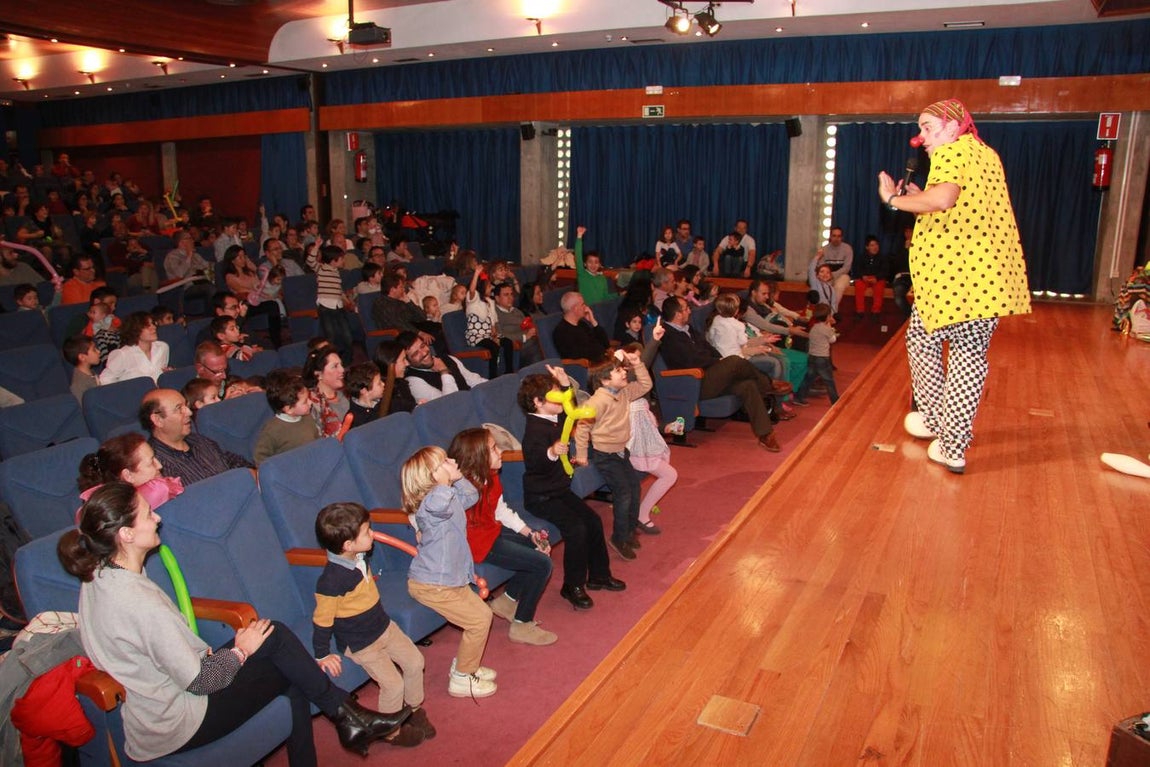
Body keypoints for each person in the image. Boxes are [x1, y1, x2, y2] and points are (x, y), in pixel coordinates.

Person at [58, 483, 410, 765]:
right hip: (178, 718)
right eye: (148, 515)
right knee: (282, 657)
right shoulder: (137, 600)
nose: (158, 519)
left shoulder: (98, 575)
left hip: (164, 695)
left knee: (279, 647)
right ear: (126, 535)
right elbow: (201, 681)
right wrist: (241, 651)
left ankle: (347, 717)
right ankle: (348, 717)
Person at [877, 98, 1032, 474]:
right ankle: (942, 428)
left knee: (955, 353)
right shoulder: (984, 154)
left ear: (951, 126)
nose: (921, 137)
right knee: (937, 344)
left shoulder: (951, 151)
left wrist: (894, 199)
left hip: (958, 279)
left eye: (928, 127)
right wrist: (918, 197)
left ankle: (947, 437)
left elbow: (943, 200)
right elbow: (960, 209)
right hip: (984, 278)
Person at [313, 502, 433, 748]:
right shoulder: (331, 581)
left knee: (415, 662)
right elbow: (322, 619)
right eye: (367, 532)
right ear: (347, 545)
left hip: (384, 626)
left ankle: (412, 709)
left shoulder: (357, 554)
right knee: (393, 684)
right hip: (362, 643)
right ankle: (390, 730)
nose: (373, 534)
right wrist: (322, 654)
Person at [518, 367, 625, 611]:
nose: (562, 398)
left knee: (594, 521)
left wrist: (566, 385)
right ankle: (572, 585)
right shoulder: (534, 429)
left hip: (559, 490)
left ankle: (599, 575)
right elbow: (534, 462)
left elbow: (572, 412)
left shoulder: (554, 417)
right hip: (541, 496)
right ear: (538, 402)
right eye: (555, 395)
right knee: (576, 528)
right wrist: (551, 452)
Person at [401, 446, 496, 699]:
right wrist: (444, 481)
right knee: (478, 621)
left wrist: (453, 475)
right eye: (445, 461)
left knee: (483, 616)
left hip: (449, 580)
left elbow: (471, 495)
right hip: (433, 584)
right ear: (433, 476)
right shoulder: (431, 503)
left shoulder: (447, 496)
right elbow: (439, 504)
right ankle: (462, 678)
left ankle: (466, 665)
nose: (453, 461)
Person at [448, 428, 558, 646]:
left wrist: (530, 532)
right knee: (542, 564)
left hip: (491, 532)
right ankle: (522, 624)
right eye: (494, 448)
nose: (501, 452)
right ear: (477, 457)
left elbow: (501, 511)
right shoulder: (461, 490)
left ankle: (506, 602)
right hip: (476, 544)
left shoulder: (491, 477)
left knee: (539, 545)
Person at [658, 296, 786, 452]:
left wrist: (718, 359)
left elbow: (708, 348)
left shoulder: (688, 328)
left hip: (709, 375)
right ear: (677, 314)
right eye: (686, 309)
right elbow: (690, 361)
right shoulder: (668, 335)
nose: (689, 311)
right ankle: (768, 384)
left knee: (748, 385)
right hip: (693, 382)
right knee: (734, 361)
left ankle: (765, 434)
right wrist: (718, 362)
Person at [574, 343, 657, 561]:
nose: (624, 372)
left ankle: (629, 532)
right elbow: (583, 426)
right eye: (618, 370)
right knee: (624, 493)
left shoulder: (623, 392)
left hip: (621, 451)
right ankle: (619, 538)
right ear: (604, 380)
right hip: (605, 455)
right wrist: (582, 454)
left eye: (623, 369)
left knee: (634, 489)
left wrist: (639, 365)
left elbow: (646, 385)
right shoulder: (598, 401)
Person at [143, 388, 254, 485]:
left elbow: (232, 461)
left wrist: (254, 472)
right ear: (158, 420)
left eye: (186, 406)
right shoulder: (155, 464)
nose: (189, 412)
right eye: (179, 408)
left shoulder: (198, 440)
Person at [705, 293, 787, 383]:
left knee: (777, 359)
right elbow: (743, 342)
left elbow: (711, 338)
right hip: (737, 359)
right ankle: (773, 390)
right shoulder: (739, 325)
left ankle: (772, 388)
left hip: (722, 356)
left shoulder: (716, 320)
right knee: (774, 363)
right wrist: (759, 345)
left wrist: (762, 340)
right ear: (736, 310)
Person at [397, 331, 486, 404]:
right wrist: (444, 372)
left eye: (423, 346)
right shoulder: (413, 382)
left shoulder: (448, 358)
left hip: (474, 404)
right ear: (407, 361)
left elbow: (474, 380)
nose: (424, 353)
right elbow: (449, 404)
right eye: (416, 354)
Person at [254, 372, 319, 465]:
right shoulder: (272, 430)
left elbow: (317, 442)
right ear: (288, 409)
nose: (310, 402)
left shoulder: (308, 418)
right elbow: (260, 458)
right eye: (305, 402)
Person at [100, 312, 169, 384]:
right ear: (135, 330)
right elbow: (105, 380)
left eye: (153, 324)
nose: (154, 327)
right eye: (147, 326)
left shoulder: (163, 347)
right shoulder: (122, 354)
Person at [793, 304, 839, 406]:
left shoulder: (814, 327)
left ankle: (799, 397)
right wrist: (830, 327)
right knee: (829, 380)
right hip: (822, 358)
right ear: (827, 317)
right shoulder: (826, 329)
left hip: (812, 356)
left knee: (808, 378)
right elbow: (833, 340)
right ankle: (835, 400)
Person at [302, 345, 349, 438]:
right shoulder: (309, 404)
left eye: (341, 365)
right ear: (318, 374)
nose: (342, 370)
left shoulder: (348, 393)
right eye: (335, 366)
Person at [552, 290, 610, 361]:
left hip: (600, 361)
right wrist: (600, 350)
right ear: (575, 308)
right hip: (585, 368)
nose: (586, 307)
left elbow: (606, 344)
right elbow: (578, 356)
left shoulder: (582, 324)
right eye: (583, 304)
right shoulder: (561, 332)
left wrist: (593, 322)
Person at [807, 227, 853, 313]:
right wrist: (827, 275)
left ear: (842, 237)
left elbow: (846, 268)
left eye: (839, 236)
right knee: (818, 287)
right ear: (830, 237)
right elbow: (820, 267)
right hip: (827, 275)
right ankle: (817, 311)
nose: (836, 238)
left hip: (843, 275)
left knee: (839, 287)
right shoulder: (824, 249)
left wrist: (832, 275)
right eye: (834, 236)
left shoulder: (847, 249)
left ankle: (832, 312)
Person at [372, 340, 417, 415]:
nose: (407, 363)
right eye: (403, 360)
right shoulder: (382, 394)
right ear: (391, 364)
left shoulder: (401, 383)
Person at [852, 235, 889, 318]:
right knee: (858, 284)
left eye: (876, 245)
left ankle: (876, 311)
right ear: (867, 247)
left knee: (880, 286)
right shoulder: (861, 257)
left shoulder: (883, 258)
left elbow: (885, 271)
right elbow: (857, 269)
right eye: (872, 245)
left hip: (877, 279)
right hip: (864, 278)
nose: (875, 247)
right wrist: (863, 276)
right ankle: (860, 311)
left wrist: (877, 277)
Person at [572, 225, 609, 305]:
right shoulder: (582, 275)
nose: (593, 265)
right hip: (586, 311)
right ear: (585, 264)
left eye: (596, 262)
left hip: (599, 310)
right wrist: (579, 236)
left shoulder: (602, 279)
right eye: (590, 262)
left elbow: (605, 297)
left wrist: (619, 294)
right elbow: (578, 256)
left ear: (600, 264)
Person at [344, 362, 384, 429]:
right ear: (364, 391)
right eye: (379, 383)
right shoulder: (355, 419)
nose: (383, 384)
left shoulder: (386, 402)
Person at [64, 334, 102, 402]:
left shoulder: (93, 373)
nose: (99, 351)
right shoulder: (78, 386)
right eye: (94, 350)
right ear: (82, 357)